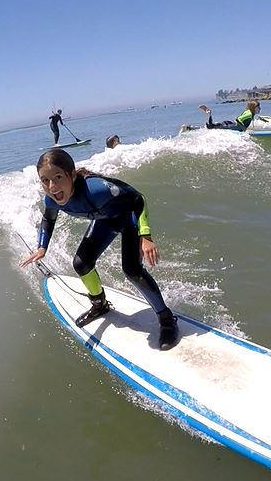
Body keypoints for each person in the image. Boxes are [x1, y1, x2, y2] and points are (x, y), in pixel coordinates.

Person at [20, 149, 180, 349]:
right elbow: (48, 219)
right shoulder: (51, 199)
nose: (52, 186)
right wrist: (42, 247)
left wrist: (145, 236)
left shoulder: (96, 190)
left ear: (72, 174)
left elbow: (138, 199)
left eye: (58, 177)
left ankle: (166, 319)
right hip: (105, 221)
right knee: (81, 264)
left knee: (132, 269)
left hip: (128, 218)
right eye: (45, 180)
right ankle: (100, 305)